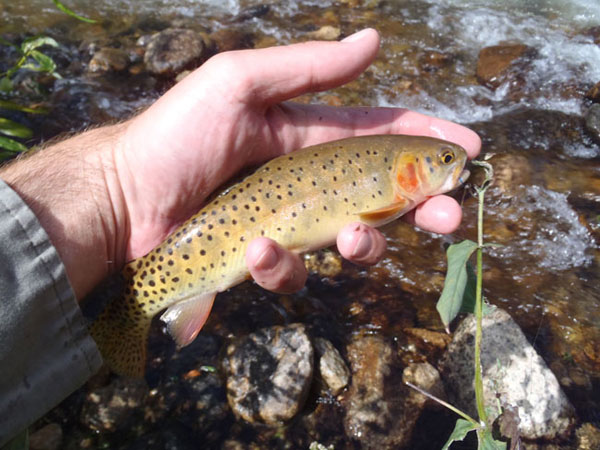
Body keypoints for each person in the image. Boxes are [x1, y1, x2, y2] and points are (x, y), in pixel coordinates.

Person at [0, 28, 480, 444]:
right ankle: (124, 320)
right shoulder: (392, 199)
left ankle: (123, 320)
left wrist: (116, 188)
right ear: (410, 170)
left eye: (445, 160)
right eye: (442, 161)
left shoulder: (391, 184)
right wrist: (117, 186)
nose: (454, 165)